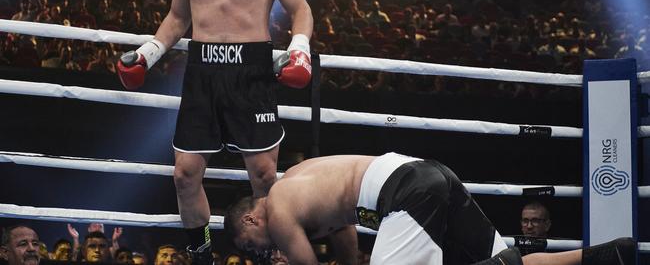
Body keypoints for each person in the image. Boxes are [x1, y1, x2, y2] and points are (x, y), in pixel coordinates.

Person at [115, 0, 313, 263]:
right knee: (184, 175)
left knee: (265, 176)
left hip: (250, 72)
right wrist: (148, 53)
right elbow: (177, 17)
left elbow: (301, 9)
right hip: (203, 72)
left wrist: (299, 49)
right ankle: (202, 250)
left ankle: (270, 254)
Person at [225, 153, 636, 265]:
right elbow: (343, 231)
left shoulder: (277, 213)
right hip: (428, 175)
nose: (260, 252)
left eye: (251, 244)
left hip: (404, 194)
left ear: (250, 218)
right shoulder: (297, 183)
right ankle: (606, 254)